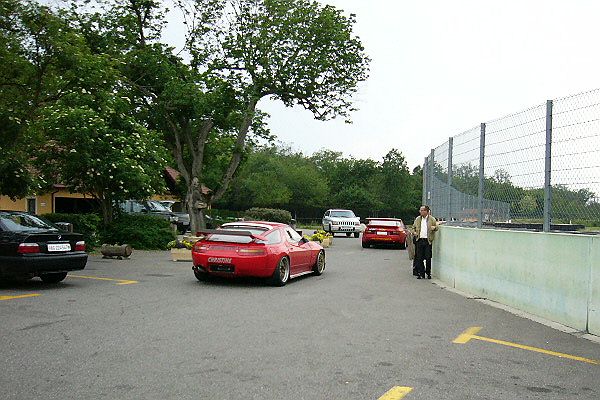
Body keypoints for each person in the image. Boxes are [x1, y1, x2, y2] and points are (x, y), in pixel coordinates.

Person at [411, 205, 438, 279]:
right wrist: (414, 232)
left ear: (426, 211)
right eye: (420, 210)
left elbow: (436, 227)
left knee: (428, 257)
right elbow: (413, 228)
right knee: (419, 258)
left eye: (422, 210)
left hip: (427, 241)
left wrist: (434, 228)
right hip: (419, 240)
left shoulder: (432, 219)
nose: (420, 212)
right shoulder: (418, 219)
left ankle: (428, 272)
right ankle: (420, 273)